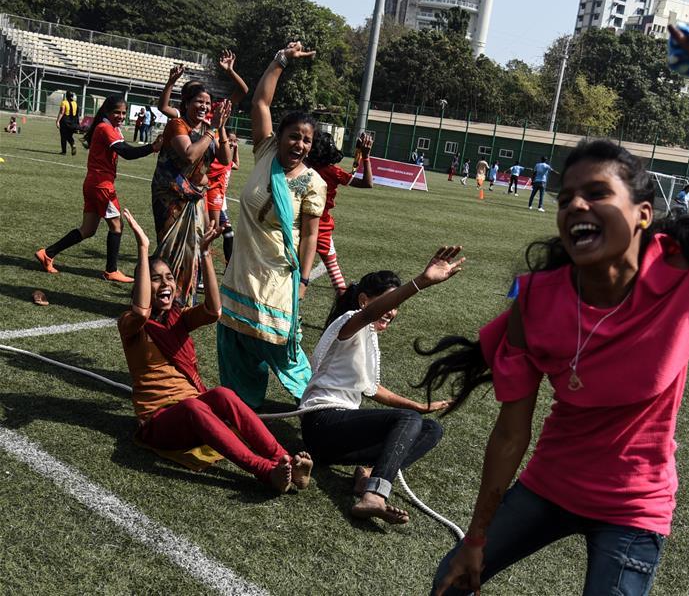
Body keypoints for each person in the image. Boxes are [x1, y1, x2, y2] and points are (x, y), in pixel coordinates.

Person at [420, 19, 689, 595]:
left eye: (596, 193)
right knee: (449, 581)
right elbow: (511, 433)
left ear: (643, 213)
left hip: (633, 507)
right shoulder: (536, 300)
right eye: (566, 198)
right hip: (549, 484)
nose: (575, 206)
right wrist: (474, 540)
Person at [117, 209, 313, 493]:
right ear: (143, 284)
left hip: (194, 410)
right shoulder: (130, 325)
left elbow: (214, 310)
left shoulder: (179, 317)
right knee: (194, 406)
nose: (166, 284)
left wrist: (205, 253)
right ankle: (264, 471)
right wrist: (143, 247)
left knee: (222, 394)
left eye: (169, 278)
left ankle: (284, 459)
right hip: (158, 422)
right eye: (156, 279)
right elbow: (141, 309)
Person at [298, 249, 463, 524]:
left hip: (337, 440)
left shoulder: (368, 333)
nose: (392, 311)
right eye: (388, 302)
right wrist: (421, 281)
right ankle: (374, 495)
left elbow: (371, 388)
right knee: (409, 420)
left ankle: (368, 473)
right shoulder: (349, 321)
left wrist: (419, 406)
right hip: (321, 424)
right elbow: (372, 313)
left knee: (431, 428)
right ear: (364, 301)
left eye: (395, 306)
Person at [216, 41, 326, 410]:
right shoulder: (264, 152)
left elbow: (310, 235)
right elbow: (260, 102)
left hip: (278, 276)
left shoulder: (313, 183)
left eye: (307, 140)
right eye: (294, 135)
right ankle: (241, 407)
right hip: (241, 271)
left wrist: (306, 281)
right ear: (279, 136)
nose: (299, 144)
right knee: (234, 340)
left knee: (280, 345)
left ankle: (320, 407)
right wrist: (280, 61)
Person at [36, 95, 163, 282]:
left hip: (93, 183)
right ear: (107, 112)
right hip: (101, 185)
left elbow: (124, 147)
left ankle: (47, 253)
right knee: (116, 226)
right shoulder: (105, 128)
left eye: (123, 113)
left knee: (88, 230)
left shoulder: (109, 127)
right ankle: (111, 271)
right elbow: (126, 152)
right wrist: (152, 147)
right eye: (117, 112)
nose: (121, 116)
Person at [150, 82, 232, 306]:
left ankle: (182, 300)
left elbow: (225, 159)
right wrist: (210, 131)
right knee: (169, 247)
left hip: (194, 197)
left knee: (193, 248)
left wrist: (221, 128)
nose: (203, 107)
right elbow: (189, 155)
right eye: (199, 102)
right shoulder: (178, 125)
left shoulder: (208, 129)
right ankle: (156, 298)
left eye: (207, 103)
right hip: (170, 195)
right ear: (186, 103)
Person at [306, 131, 375, 295]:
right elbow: (367, 183)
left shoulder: (302, 166)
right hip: (322, 225)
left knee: (295, 270)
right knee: (333, 268)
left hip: (300, 222)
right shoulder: (333, 171)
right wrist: (365, 156)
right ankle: (344, 306)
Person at [158, 50, 249, 123]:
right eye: (194, 92)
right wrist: (171, 82)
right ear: (187, 101)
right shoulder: (182, 115)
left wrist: (230, 71)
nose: (203, 106)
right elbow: (163, 108)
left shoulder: (215, 110)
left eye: (200, 89)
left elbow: (243, 90)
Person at [205, 130, 240, 265]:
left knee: (227, 233)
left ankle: (228, 265)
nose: (232, 143)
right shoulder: (220, 161)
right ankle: (201, 271)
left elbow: (236, 165)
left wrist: (235, 150)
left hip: (220, 200)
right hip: (213, 199)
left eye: (234, 141)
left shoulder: (227, 160)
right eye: (230, 140)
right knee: (211, 234)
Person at [57, 91, 79, 156]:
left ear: (66, 96)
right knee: (69, 136)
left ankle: (64, 151)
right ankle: (73, 144)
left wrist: (57, 121)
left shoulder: (64, 102)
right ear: (72, 96)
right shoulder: (75, 103)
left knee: (63, 136)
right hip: (73, 122)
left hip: (65, 121)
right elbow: (77, 114)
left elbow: (62, 112)